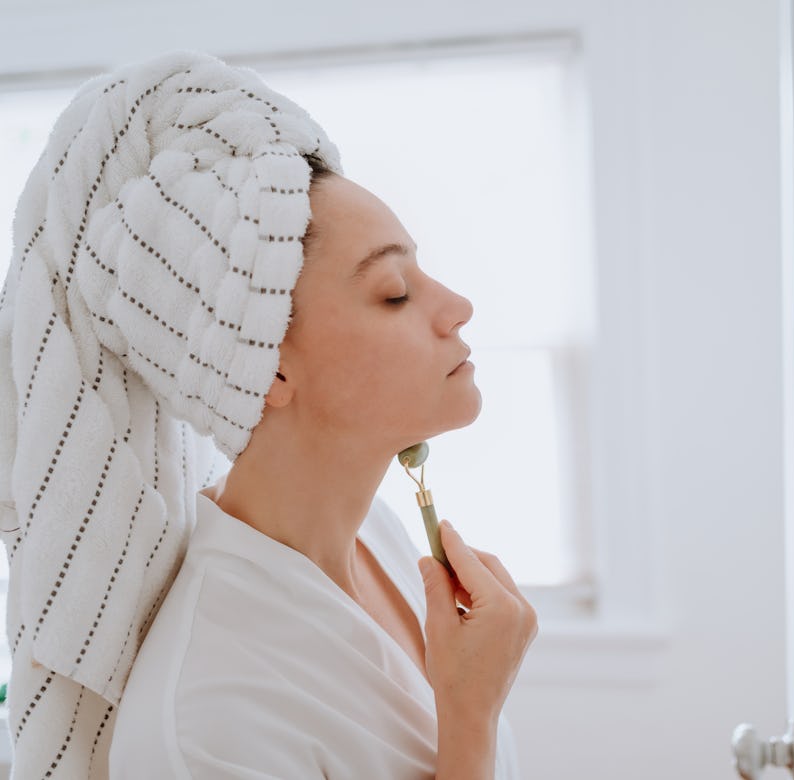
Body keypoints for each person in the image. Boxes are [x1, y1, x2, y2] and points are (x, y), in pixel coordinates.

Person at [0, 50, 537, 779]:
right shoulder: (207, 722)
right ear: (268, 362)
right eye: (394, 292)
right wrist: (469, 715)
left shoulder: (377, 537)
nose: (458, 308)